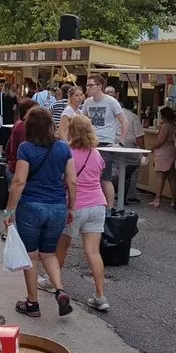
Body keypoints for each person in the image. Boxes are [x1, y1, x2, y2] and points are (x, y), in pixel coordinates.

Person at [4, 106, 78, 319]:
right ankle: (60, 290)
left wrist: (9, 210)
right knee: (49, 253)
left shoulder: (26, 148)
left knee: (31, 255)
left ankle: (32, 303)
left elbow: (19, 182)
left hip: (31, 207)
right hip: (57, 207)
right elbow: (72, 181)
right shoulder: (63, 148)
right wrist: (71, 207)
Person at [51, 114, 110, 311]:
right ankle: (100, 296)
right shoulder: (96, 154)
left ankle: (52, 281)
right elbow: (100, 175)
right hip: (97, 204)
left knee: (62, 246)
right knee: (93, 252)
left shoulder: (68, 152)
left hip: (75, 205)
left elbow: (63, 179)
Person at [83, 74, 128, 207]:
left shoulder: (111, 101)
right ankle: (94, 203)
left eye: (91, 85)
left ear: (99, 86)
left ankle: (110, 207)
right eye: (88, 85)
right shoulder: (87, 102)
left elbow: (124, 121)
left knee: (105, 177)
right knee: (91, 176)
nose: (88, 88)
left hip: (106, 143)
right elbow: (83, 121)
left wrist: (121, 141)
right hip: (90, 142)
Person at [150, 107, 176, 208]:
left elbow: (160, 141)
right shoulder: (174, 126)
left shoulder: (165, 126)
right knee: (172, 178)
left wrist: (152, 148)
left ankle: (157, 199)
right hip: (172, 151)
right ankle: (174, 200)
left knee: (160, 177)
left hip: (163, 152)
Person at [6, 99, 37, 185]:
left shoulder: (19, 124)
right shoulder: (23, 127)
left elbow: (8, 146)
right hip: (18, 170)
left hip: (14, 167)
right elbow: (24, 152)